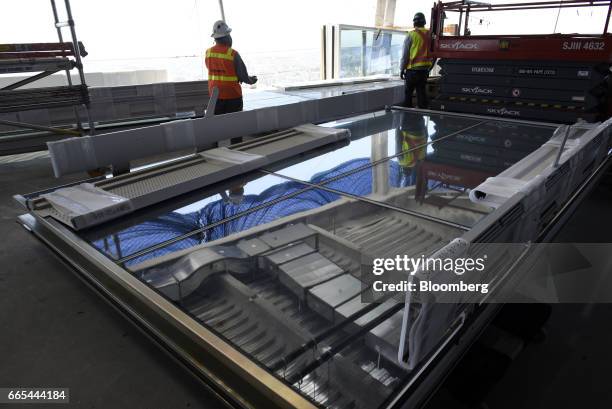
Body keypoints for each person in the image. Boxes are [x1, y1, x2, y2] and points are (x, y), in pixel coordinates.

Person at [205, 20, 257, 143]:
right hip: (233, 95)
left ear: (216, 38)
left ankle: (214, 149)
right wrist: (251, 80)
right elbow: (243, 76)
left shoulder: (208, 53)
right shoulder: (232, 54)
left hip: (215, 96)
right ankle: (236, 148)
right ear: (227, 37)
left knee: (215, 126)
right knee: (236, 126)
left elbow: (213, 70)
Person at [400, 12, 435, 108]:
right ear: (424, 22)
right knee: (421, 95)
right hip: (424, 71)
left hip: (412, 71)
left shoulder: (411, 35)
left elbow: (405, 55)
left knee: (408, 95)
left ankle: (406, 119)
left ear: (414, 23)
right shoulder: (430, 35)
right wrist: (429, 68)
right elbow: (435, 54)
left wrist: (402, 69)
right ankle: (421, 119)